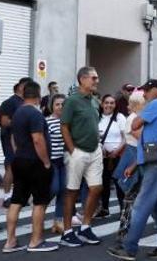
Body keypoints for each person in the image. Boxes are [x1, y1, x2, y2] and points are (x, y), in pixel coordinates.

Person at [107, 80, 157, 261]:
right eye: (144, 90)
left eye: (148, 90)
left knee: (141, 205)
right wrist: (134, 165)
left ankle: (129, 248)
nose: (144, 94)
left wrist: (141, 120)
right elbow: (143, 138)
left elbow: (135, 124)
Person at [4, 81, 58, 253]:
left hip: (19, 160)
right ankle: (36, 241)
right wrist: (46, 161)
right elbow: (38, 139)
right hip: (35, 162)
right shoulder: (35, 114)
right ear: (38, 95)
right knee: (40, 202)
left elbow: (13, 138)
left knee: (16, 201)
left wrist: (18, 151)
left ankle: (10, 241)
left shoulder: (18, 112)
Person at [59, 67, 104, 247]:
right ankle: (67, 232)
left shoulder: (93, 101)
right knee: (72, 191)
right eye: (94, 78)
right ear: (82, 79)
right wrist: (72, 150)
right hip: (77, 151)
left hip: (94, 151)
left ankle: (85, 227)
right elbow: (64, 126)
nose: (96, 81)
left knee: (96, 188)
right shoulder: (71, 101)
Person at [113, 91, 145, 249]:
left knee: (131, 197)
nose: (127, 106)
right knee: (131, 197)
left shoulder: (134, 117)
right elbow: (143, 139)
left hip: (132, 156)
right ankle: (125, 233)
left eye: (130, 103)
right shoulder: (134, 119)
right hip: (134, 156)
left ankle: (124, 231)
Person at [0, 77, 33, 207]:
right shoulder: (10, 102)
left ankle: (20, 195)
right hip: (10, 138)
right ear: (21, 86)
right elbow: (4, 122)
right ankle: (7, 197)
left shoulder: (25, 102)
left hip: (25, 140)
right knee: (11, 167)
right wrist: (22, 122)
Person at [96, 94, 127, 218]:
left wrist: (117, 150)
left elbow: (125, 138)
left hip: (117, 155)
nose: (109, 105)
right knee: (103, 183)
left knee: (119, 183)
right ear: (102, 104)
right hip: (101, 156)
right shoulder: (97, 117)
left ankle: (122, 209)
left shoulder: (119, 117)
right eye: (106, 102)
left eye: (112, 103)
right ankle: (104, 208)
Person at [46, 94, 67, 234]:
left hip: (64, 161)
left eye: (63, 104)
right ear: (52, 106)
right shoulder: (47, 122)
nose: (60, 107)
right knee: (54, 188)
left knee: (63, 190)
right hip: (52, 160)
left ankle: (58, 221)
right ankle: (40, 203)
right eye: (57, 104)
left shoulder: (68, 122)